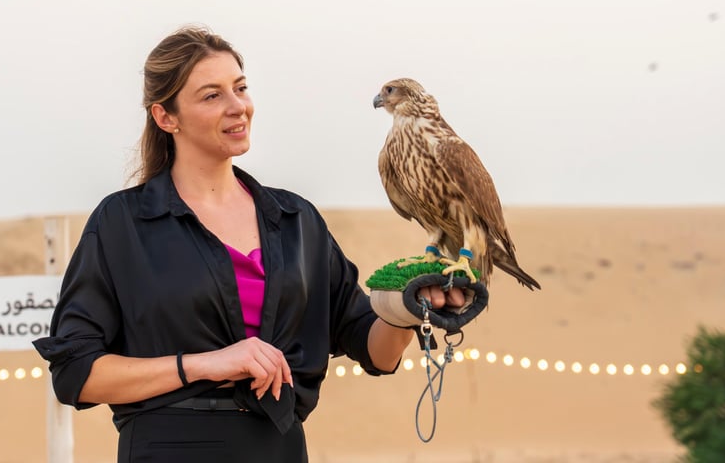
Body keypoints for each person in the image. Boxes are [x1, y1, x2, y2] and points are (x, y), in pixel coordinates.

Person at [33, 25, 464, 462]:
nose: (238, 106)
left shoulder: (296, 222)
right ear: (166, 117)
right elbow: (76, 372)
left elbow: (375, 349)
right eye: (211, 95)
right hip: (169, 449)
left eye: (240, 88)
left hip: (278, 448)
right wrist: (206, 362)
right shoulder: (123, 223)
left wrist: (408, 306)